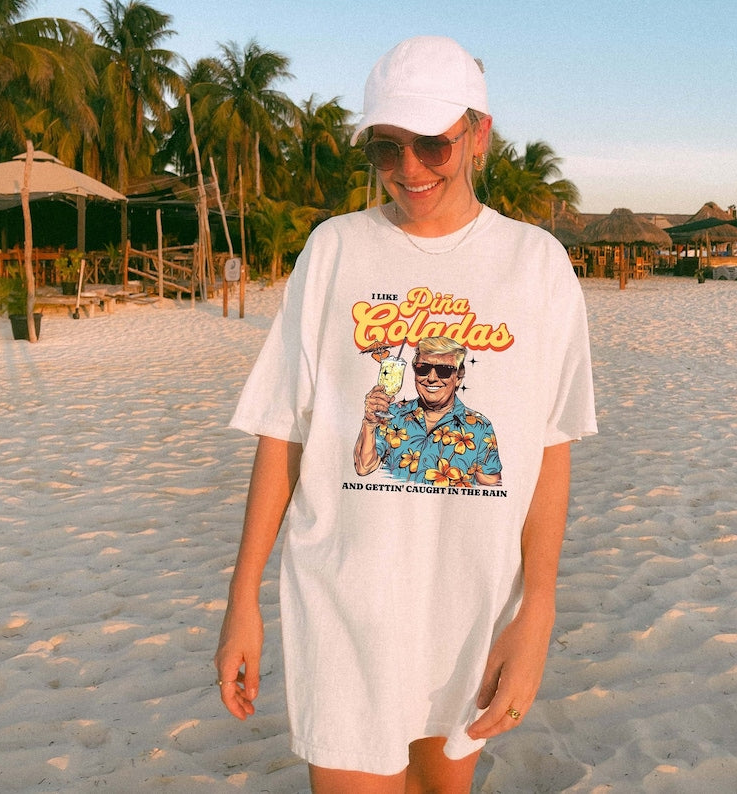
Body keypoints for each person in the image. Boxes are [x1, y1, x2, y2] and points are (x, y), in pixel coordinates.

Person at [216, 35, 596, 793]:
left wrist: (538, 612)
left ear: (479, 134)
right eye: (387, 148)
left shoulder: (537, 266)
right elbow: (284, 431)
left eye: (432, 144)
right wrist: (242, 598)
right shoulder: (333, 250)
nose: (410, 169)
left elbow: (549, 451)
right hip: (343, 605)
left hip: (470, 611)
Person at [354, 336, 502, 486]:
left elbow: (491, 488)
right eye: (423, 368)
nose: (431, 378)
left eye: (443, 370)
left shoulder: (480, 427)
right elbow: (363, 467)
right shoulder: (392, 414)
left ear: (458, 378)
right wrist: (369, 423)